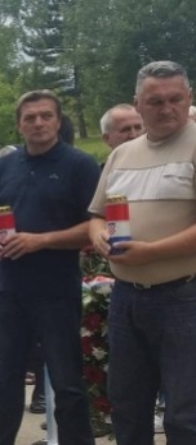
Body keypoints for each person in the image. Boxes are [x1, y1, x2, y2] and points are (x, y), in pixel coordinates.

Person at [0, 89, 100, 445]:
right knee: (4, 381)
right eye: (30, 117)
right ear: (19, 125)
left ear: (58, 121)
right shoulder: (4, 166)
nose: (38, 123)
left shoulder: (79, 165)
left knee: (66, 382)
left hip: (55, 290)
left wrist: (41, 240)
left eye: (46, 116)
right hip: (5, 290)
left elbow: (96, 225)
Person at [89, 60, 196, 445]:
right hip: (127, 299)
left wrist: (149, 252)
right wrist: (100, 236)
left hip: (184, 297)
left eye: (175, 99)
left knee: (186, 415)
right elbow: (97, 216)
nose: (166, 108)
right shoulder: (122, 155)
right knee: (127, 407)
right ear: (138, 104)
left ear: (189, 97)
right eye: (155, 101)